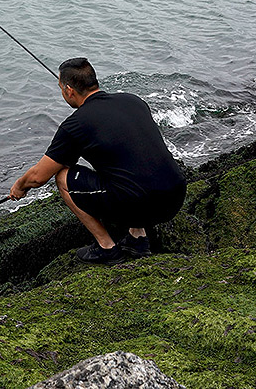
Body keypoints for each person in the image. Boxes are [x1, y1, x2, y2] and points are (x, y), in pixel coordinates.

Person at [10, 58, 187, 264]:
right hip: (175, 197)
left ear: (69, 90)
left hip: (141, 204)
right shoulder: (133, 101)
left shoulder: (76, 124)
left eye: (60, 88)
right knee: (120, 159)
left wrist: (20, 186)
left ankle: (107, 247)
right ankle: (138, 238)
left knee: (63, 177)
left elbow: (38, 177)